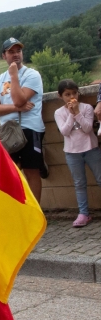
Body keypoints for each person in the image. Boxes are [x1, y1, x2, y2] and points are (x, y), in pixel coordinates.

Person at [0, 37, 45, 201]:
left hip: (29, 128)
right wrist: (16, 108)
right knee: (11, 173)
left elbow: (19, 99)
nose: (15, 55)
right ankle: (20, 211)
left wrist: (14, 76)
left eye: (18, 51)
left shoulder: (32, 75)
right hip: (8, 132)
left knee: (31, 170)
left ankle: (36, 214)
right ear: (3, 55)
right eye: (11, 52)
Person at [55, 79, 100, 228]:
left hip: (91, 149)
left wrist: (78, 113)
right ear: (60, 96)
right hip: (72, 152)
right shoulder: (59, 113)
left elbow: (87, 129)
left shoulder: (86, 108)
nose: (71, 97)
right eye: (67, 94)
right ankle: (83, 213)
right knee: (79, 183)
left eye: (74, 93)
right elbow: (64, 132)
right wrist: (70, 114)